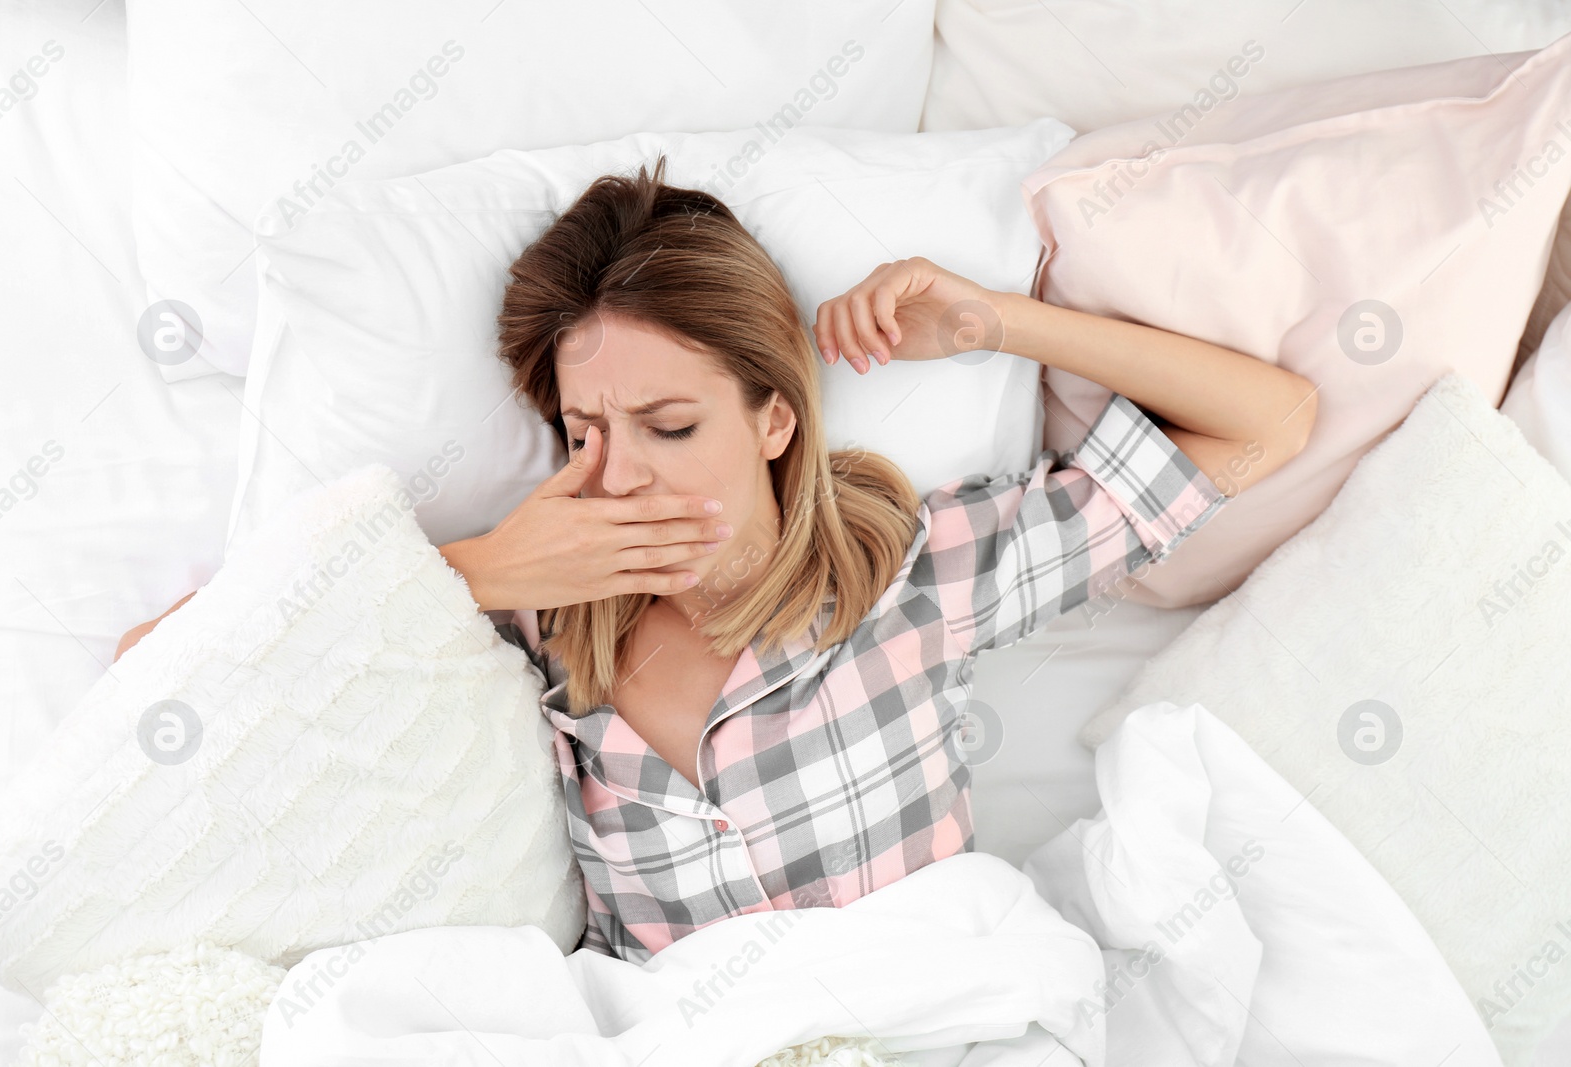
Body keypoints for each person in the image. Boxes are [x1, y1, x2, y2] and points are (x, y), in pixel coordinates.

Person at [119, 156, 1317, 966]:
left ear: (774, 419)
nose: (619, 472)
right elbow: (161, 669)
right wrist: (476, 572)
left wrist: (996, 319)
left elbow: (1267, 421)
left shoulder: (910, 572)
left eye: (671, 425)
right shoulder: (531, 624)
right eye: (584, 433)